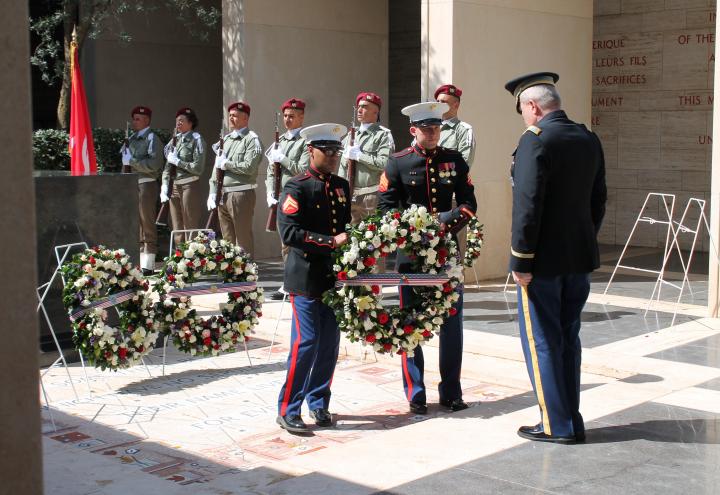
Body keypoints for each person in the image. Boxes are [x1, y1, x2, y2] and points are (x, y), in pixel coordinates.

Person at [504, 72, 606, 444]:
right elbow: (598, 200)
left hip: (542, 263)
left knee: (543, 341)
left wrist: (521, 261)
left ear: (532, 106)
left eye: (523, 111)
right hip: (578, 259)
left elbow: (528, 206)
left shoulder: (535, 140)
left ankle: (555, 424)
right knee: (567, 338)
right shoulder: (587, 137)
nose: (524, 118)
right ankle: (571, 419)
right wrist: (580, 241)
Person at [378, 102, 477, 414]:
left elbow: (469, 203)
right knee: (411, 324)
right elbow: (386, 210)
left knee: (452, 325)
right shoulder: (397, 163)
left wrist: (439, 225)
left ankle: (451, 392)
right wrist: (414, 232)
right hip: (411, 257)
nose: (432, 132)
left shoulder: (454, 160)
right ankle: (415, 393)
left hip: (447, 254)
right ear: (413, 130)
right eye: (426, 128)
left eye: (436, 127)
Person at [276, 123, 351, 434]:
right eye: (327, 151)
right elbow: (289, 233)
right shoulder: (296, 187)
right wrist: (330, 242)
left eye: (337, 151)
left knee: (329, 345)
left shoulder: (342, 186)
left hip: (331, 278)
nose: (333, 157)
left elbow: (345, 227)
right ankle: (288, 407)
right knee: (306, 343)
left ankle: (318, 401)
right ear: (311, 151)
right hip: (305, 277)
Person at [265, 98, 311, 300]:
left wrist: (283, 159)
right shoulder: (279, 141)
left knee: (297, 242)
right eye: (285, 116)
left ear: (301, 116)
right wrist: (269, 192)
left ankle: (299, 283)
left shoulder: (306, 141)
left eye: (292, 116)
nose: (287, 119)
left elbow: (303, 169)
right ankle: (287, 284)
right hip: (281, 197)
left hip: (298, 197)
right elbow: (269, 172)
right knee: (284, 242)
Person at [208, 101, 263, 257]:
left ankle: (246, 274)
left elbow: (249, 167)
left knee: (242, 238)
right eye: (230, 115)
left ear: (245, 118)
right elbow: (216, 169)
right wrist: (212, 191)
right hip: (223, 194)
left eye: (235, 116)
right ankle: (231, 273)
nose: (231, 118)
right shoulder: (226, 140)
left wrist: (227, 164)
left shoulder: (252, 140)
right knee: (227, 239)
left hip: (241, 194)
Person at [338, 92, 395, 224]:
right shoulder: (351, 135)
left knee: (372, 238)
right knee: (350, 237)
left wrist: (359, 156)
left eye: (364, 107)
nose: (359, 110)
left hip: (371, 196)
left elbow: (385, 163)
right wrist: (341, 190)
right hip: (350, 195)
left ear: (375, 111)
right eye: (359, 106)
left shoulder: (383, 135)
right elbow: (342, 165)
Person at [120, 105, 164, 274]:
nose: (134, 122)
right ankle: (139, 260)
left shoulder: (152, 138)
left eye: (138, 119)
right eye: (134, 118)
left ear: (147, 120)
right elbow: (125, 163)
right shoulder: (131, 138)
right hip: (132, 184)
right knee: (136, 224)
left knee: (147, 223)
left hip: (146, 183)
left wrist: (132, 162)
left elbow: (154, 165)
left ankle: (149, 263)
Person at [161, 107, 206, 247]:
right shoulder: (174, 140)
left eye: (181, 121)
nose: (178, 123)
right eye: (177, 121)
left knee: (190, 223)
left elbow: (198, 168)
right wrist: (164, 184)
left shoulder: (196, 140)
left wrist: (178, 162)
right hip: (174, 186)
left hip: (189, 185)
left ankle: (191, 259)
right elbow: (168, 166)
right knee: (177, 225)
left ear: (190, 123)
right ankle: (179, 257)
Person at [435, 84, 475, 168]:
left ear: (456, 105)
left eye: (443, 102)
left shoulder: (463, 130)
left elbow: (464, 163)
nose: (439, 105)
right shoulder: (428, 128)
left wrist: (434, 168)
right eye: (437, 102)